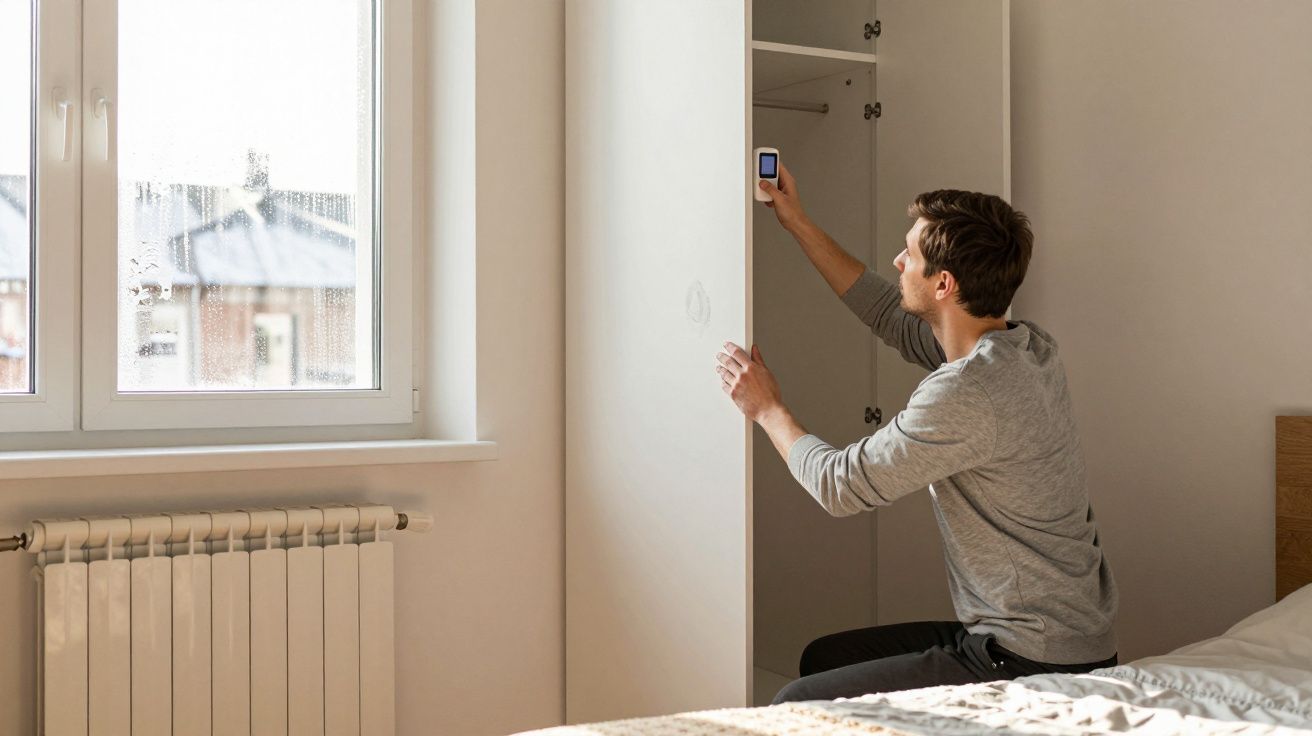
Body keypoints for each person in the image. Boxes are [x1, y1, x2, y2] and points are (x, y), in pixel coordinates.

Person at [714, 165, 1118, 703]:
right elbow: (888, 313)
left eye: (909, 255)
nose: (898, 262)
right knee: (823, 659)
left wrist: (767, 409)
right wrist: (797, 222)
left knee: (796, 702)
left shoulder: (968, 392)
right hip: (1053, 636)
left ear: (944, 284)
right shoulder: (1025, 348)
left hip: (1031, 658)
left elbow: (840, 485)